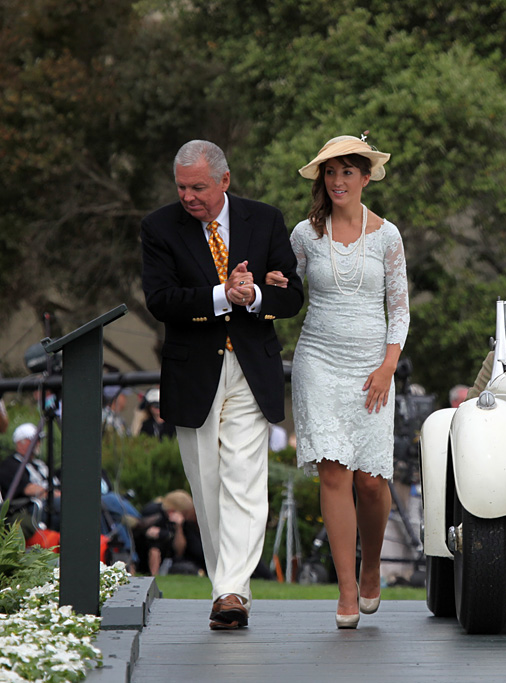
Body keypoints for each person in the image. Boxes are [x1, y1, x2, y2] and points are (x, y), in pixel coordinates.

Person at [140, 139, 304, 630]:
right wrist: (220, 294)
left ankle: (231, 591)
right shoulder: (159, 228)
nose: (189, 196)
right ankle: (226, 586)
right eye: (182, 187)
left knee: (245, 480)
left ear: (225, 181)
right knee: (207, 484)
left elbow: (291, 296)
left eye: (199, 187)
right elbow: (161, 300)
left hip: (251, 368)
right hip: (193, 372)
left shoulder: (266, 219)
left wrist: (253, 294)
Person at [283, 134, 409, 629]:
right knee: (334, 472)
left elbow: (398, 311)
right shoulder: (303, 235)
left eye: (346, 172)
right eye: (329, 173)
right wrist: (274, 285)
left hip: (372, 369)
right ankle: (347, 591)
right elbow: (291, 295)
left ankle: (372, 565)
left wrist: (387, 366)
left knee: (372, 483)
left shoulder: (388, 236)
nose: (337, 181)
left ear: (364, 177)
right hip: (317, 361)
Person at [0, 423, 60, 530]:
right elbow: (28, 489)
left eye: (39, 440)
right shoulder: (10, 465)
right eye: (34, 440)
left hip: (50, 503)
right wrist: (52, 494)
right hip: (30, 509)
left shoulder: (39, 464)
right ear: (20, 442)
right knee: (65, 505)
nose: (38, 443)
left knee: (98, 501)